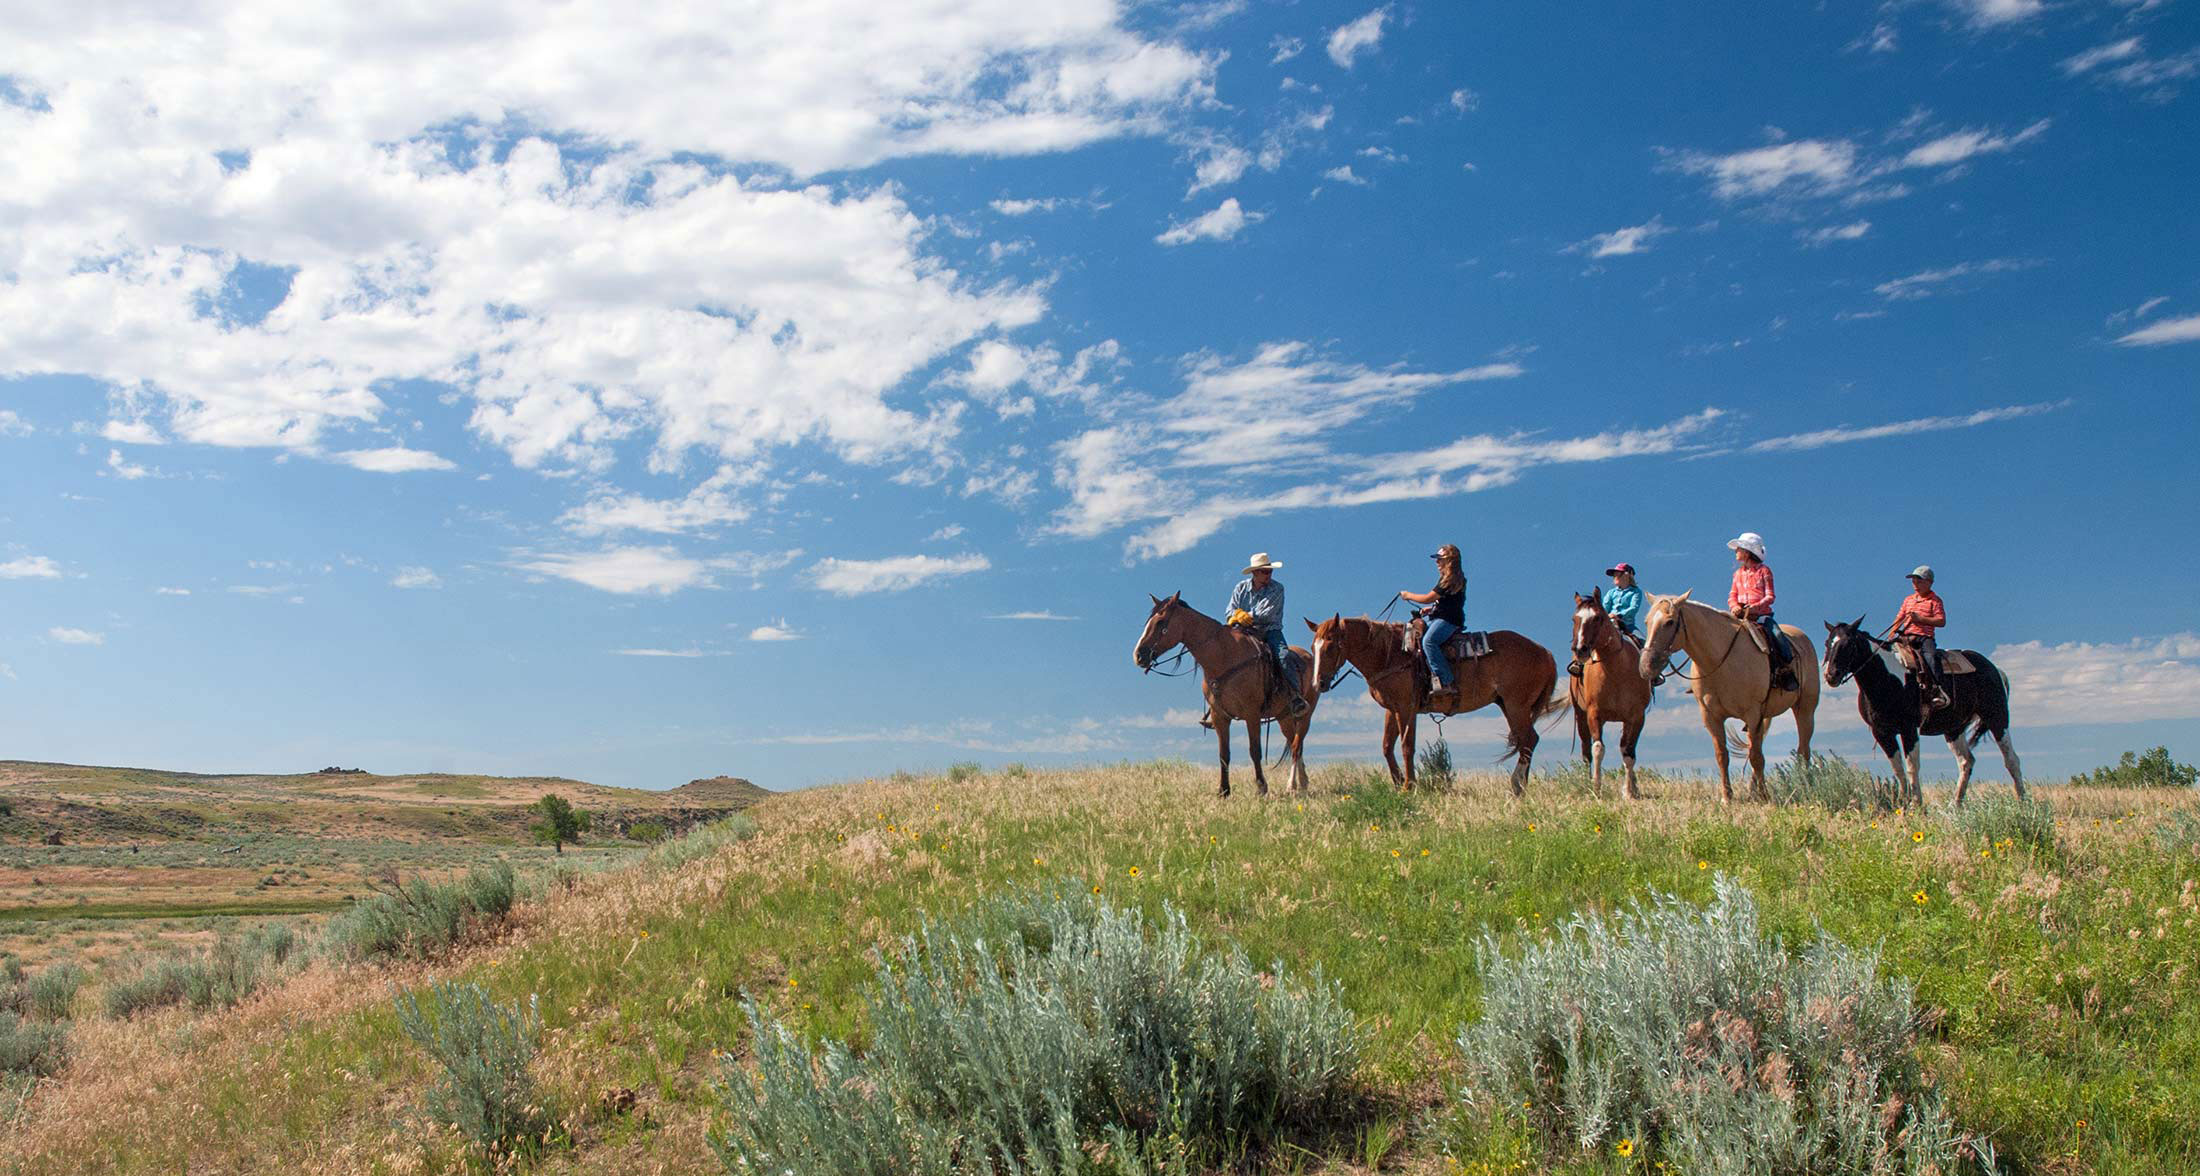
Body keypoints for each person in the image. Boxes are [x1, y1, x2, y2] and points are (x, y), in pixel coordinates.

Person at [1220, 552, 1308, 720]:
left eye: (1270, 571)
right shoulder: (1241, 588)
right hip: (1244, 630)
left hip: (1270, 631)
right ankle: (1218, 703)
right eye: (1265, 571)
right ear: (1255, 573)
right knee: (1224, 654)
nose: (1269, 574)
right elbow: (1230, 609)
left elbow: (1266, 613)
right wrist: (1234, 616)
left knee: (1283, 656)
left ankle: (1295, 696)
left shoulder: (1277, 588)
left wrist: (1246, 615)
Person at [1726, 531, 1797, 692]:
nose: (1736, 552)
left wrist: (1755, 607)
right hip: (1740, 617)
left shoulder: (1764, 571)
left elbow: (1770, 596)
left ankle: (1786, 668)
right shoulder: (1737, 575)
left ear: (1747, 551)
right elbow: (1732, 596)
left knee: (1778, 636)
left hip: (1761, 617)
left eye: (1739, 549)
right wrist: (1734, 607)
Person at [1400, 544, 1467, 703]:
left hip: (1448, 620)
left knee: (1429, 641)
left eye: (1440, 559)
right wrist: (1431, 610)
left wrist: (1409, 595)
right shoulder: (1450, 579)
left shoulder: (1450, 579)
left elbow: (1428, 597)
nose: (1437, 562)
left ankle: (1446, 681)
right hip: (1443, 616)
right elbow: (1448, 601)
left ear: (1450, 561)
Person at [1893, 564, 1949, 716]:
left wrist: (1921, 618)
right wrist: (1892, 633)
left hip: (1924, 637)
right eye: (1914, 582)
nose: (1916, 585)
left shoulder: (1935, 601)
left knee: (1930, 657)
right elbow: (1899, 617)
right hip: (1906, 637)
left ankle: (1938, 689)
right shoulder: (1908, 600)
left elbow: (1941, 621)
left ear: (1929, 583)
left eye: (1920, 581)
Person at [1602, 562, 1644, 640]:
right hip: (1609, 623)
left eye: (1617, 574)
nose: (1614, 577)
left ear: (1626, 575)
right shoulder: (1611, 592)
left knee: (1643, 641)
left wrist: (1618, 615)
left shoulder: (1636, 592)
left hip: (1627, 625)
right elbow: (1605, 607)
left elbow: (1633, 608)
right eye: (1614, 575)